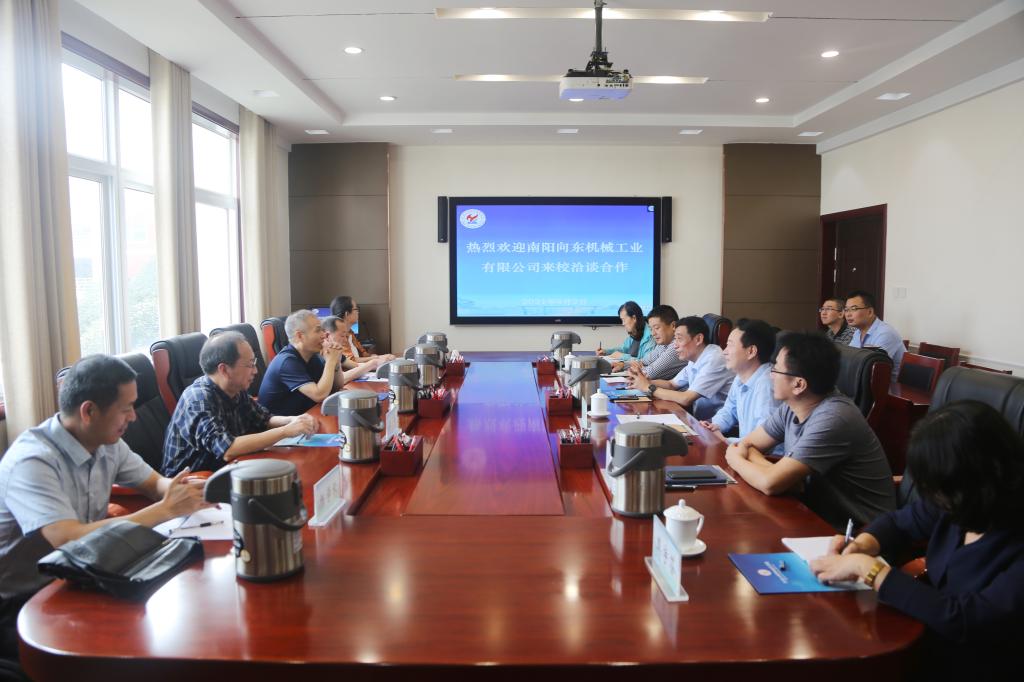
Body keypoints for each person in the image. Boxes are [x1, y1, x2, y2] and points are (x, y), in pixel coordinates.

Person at [0, 355, 209, 666]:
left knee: (180, 617)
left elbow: (154, 484)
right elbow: (67, 539)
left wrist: (184, 489)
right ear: (89, 411)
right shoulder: (33, 461)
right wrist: (164, 510)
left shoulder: (107, 441)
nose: (134, 417)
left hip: (82, 576)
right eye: (126, 408)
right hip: (24, 602)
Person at [810, 401, 1024, 677]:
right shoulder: (956, 500)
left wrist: (869, 569)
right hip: (922, 645)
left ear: (979, 479)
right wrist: (862, 544)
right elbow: (898, 523)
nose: (934, 499)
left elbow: (966, 619)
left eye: (939, 490)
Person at [724, 332, 895, 529]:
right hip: (810, 513)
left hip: (856, 533)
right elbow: (748, 444)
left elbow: (770, 483)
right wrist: (776, 473)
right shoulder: (792, 406)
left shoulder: (834, 417)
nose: (771, 375)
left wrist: (736, 459)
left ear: (799, 384)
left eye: (776, 369)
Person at [162, 332, 318, 475]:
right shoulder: (198, 400)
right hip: (191, 483)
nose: (255, 371)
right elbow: (227, 449)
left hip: (231, 468)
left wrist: (294, 420)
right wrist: (285, 431)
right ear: (224, 370)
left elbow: (264, 419)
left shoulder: (235, 388)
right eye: (250, 364)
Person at [258, 309, 379, 416]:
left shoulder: (313, 356)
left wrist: (336, 361)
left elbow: (336, 386)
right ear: (300, 336)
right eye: (318, 331)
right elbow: (319, 395)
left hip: (307, 416)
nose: (323, 335)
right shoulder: (287, 362)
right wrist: (330, 362)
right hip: (282, 428)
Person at [629, 316, 734, 420]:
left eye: (679, 339)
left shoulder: (714, 359)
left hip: (719, 425)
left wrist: (649, 387)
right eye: (675, 339)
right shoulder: (695, 358)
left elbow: (686, 398)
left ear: (698, 339)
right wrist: (645, 381)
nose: (675, 345)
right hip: (701, 421)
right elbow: (671, 384)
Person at [699, 318, 782, 451]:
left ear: (751, 351)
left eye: (730, 345)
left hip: (767, 457)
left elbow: (764, 438)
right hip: (744, 450)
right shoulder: (741, 375)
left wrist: (724, 440)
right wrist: (714, 426)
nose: (724, 351)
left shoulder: (768, 384)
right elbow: (729, 410)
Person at [845, 290, 905, 381]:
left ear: (870, 312)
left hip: (890, 385)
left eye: (854, 309)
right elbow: (850, 358)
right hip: (866, 380)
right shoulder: (857, 332)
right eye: (846, 310)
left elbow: (872, 367)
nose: (848, 314)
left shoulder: (885, 333)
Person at [624, 305, 687, 380]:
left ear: (673, 326)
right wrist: (623, 365)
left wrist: (637, 368)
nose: (653, 333)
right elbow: (643, 361)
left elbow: (649, 373)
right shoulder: (663, 344)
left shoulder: (676, 347)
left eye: (657, 328)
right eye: (651, 329)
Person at [328, 295, 393, 364]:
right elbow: (351, 361)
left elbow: (364, 353)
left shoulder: (350, 332)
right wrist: (375, 359)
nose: (358, 312)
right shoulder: (338, 337)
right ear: (347, 314)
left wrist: (378, 357)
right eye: (356, 309)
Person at [597, 301, 654, 366]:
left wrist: (622, 356)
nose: (623, 323)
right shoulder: (634, 332)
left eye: (624, 320)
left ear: (634, 318)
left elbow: (645, 363)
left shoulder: (651, 335)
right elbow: (623, 349)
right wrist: (606, 352)